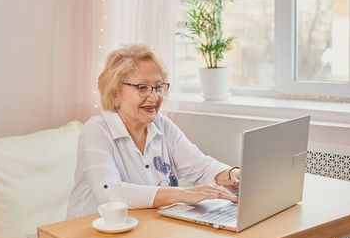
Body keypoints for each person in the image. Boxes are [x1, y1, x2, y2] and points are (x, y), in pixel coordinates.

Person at [67, 44, 241, 219]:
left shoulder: (161, 124)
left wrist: (232, 174)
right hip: (88, 235)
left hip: (144, 227)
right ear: (114, 94)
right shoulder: (96, 131)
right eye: (142, 87)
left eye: (158, 87)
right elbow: (111, 193)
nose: (154, 97)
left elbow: (201, 166)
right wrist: (184, 194)